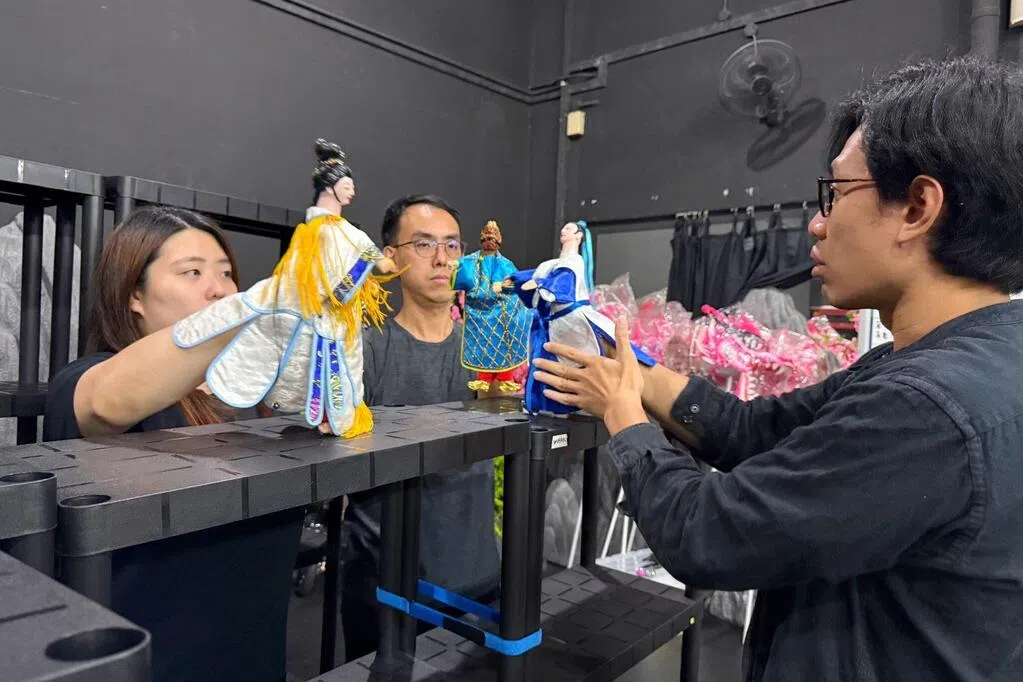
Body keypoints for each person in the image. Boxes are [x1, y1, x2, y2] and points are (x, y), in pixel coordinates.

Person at [532, 56, 1023, 681]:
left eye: (836, 194)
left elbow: (707, 533)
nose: (817, 223)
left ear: (917, 208)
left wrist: (623, 414)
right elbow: (755, 429)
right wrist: (641, 374)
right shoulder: (955, 358)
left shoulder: (924, 405)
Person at [43, 206, 303, 682]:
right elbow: (105, 403)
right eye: (192, 273)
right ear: (134, 295)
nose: (219, 289)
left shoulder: (255, 401)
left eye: (226, 273)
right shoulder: (86, 380)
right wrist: (263, 303)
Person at [340, 195, 502, 661]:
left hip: (478, 578)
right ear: (391, 257)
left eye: (452, 245)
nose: (442, 258)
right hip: (386, 584)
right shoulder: (364, 350)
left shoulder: (490, 352)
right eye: (425, 244)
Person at [172, 139, 398, 437]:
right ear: (331, 187)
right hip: (317, 316)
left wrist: (380, 264)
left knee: (344, 366)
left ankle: (336, 416)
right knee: (316, 364)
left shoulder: (340, 231)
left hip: (337, 320)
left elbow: (370, 257)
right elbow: (325, 278)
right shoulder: (314, 232)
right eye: (347, 185)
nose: (351, 192)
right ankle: (330, 415)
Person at [502, 220, 655, 416]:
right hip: (554, 321)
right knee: (546, 362)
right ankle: (539, 402)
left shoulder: (574, 261)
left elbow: (563, 281)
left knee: (573, 363)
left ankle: (561, 405)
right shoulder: (557, 262)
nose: (563, 231)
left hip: (572, 320)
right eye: (563, 229)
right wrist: (517, 280)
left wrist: (540, 284)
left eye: (568, 229)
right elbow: (541, 273)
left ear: (578, 236)